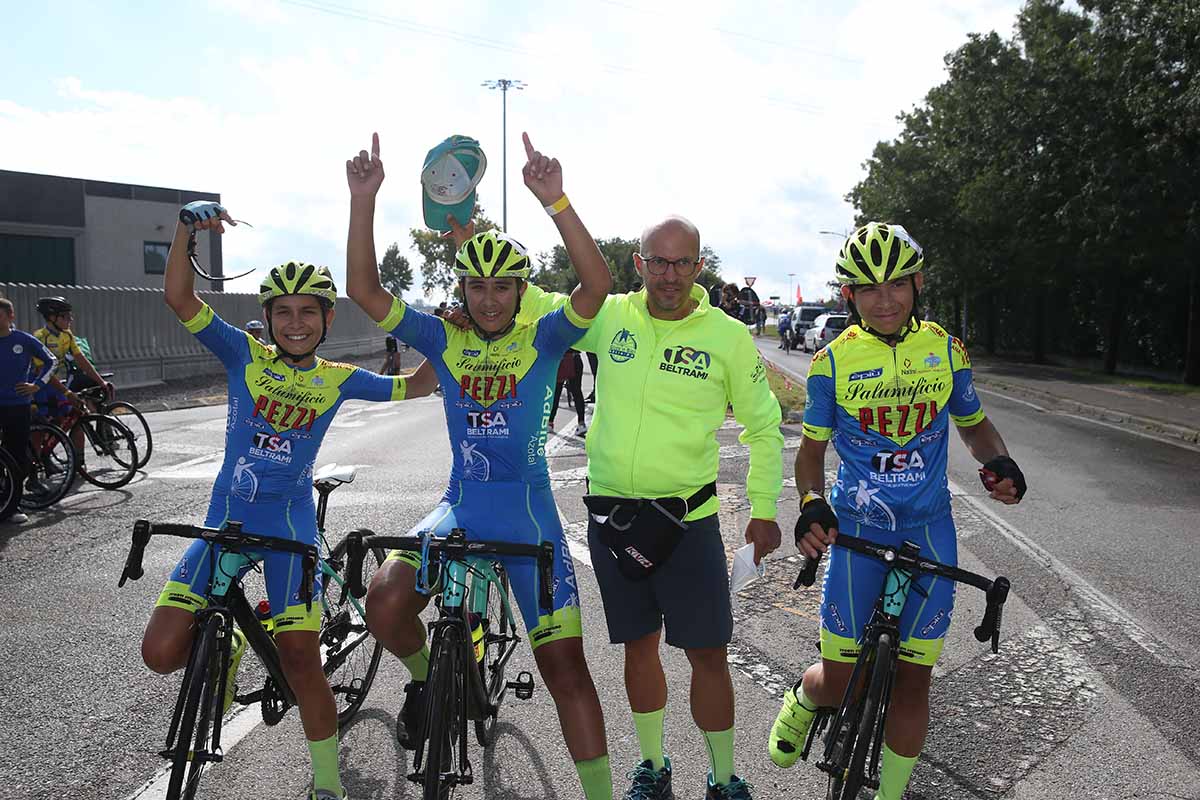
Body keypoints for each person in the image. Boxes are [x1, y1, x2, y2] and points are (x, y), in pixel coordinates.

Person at [344, 131, 615, 800]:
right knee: (382, 601)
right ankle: (423, 679)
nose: (490, 298)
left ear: (522, 290)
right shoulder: (443, 335)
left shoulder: (546, 337)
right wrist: (363, 201)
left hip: (528, 519)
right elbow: (361, 289)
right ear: (461, 286)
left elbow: (599, 283)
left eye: (504, 286)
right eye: (478, 285)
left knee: (566, 673)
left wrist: (556, 201)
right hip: (461, 504)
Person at [140, 200, 438, 800]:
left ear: (326, 319)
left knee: (300, 658)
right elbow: (179, 299)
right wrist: (183, 232)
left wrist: (448, 335)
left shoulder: (338, 377)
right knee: (160, 652)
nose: (295, 322)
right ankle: (222, 649)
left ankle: (326, 786)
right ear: (268, 318)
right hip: (224, 521)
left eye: (308, 312)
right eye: (283, 312)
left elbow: (417, 385)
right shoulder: (243, 355)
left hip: (288, 527)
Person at [519, 216, 785, 800]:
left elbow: (765, 428)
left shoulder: (727, 336)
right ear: (638, 265)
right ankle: (654, 767)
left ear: (700, 267)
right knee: (638, 647)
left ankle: (721, 778)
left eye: (681, 263)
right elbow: (528, 299)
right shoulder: (610, 315)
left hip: (687, 523)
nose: (669, 275)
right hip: (615, 522)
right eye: (657, 262)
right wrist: (466, 242)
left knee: (707, 653)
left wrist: (763, 508)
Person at [767, 222, 1027, 800]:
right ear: (849, 296)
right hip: (857, 530)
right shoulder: (831, 363)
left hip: (928, 528)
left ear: (918, 284)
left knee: (914, 683)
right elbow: (810, 455)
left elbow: (975, 425)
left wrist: (1001, 463)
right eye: (868, 289)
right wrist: (812, 504)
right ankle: (808, 697)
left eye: (896, 286)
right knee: (842, 685)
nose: (884, 300)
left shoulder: (945, 350)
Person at [0, 297, 59, 523]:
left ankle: (13, 504)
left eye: (0, 315)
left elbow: (51, 361)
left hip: (17, 405)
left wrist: (36, 385)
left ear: (10, 316)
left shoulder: (23, 340)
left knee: (16, 455)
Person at [551, 348, 586, 435]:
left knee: (556, 391)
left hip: (561, 358)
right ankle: (581, 423)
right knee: (577, 392)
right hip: (575, 358)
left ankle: (550, 422)